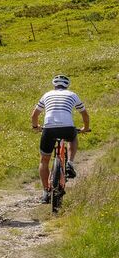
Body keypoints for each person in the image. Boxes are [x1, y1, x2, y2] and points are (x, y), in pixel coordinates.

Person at [31, 74, 90, 204]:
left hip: (49, 128)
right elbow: (84, 114)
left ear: (54, 85)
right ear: (67, 85)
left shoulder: (47, 95)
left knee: (44, 160)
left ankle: (46, 191)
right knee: (73, 138)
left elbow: (35, 114)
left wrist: (36, 127)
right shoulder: (72, 95)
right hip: (67, 127)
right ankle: (70, 163)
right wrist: (85, 128)